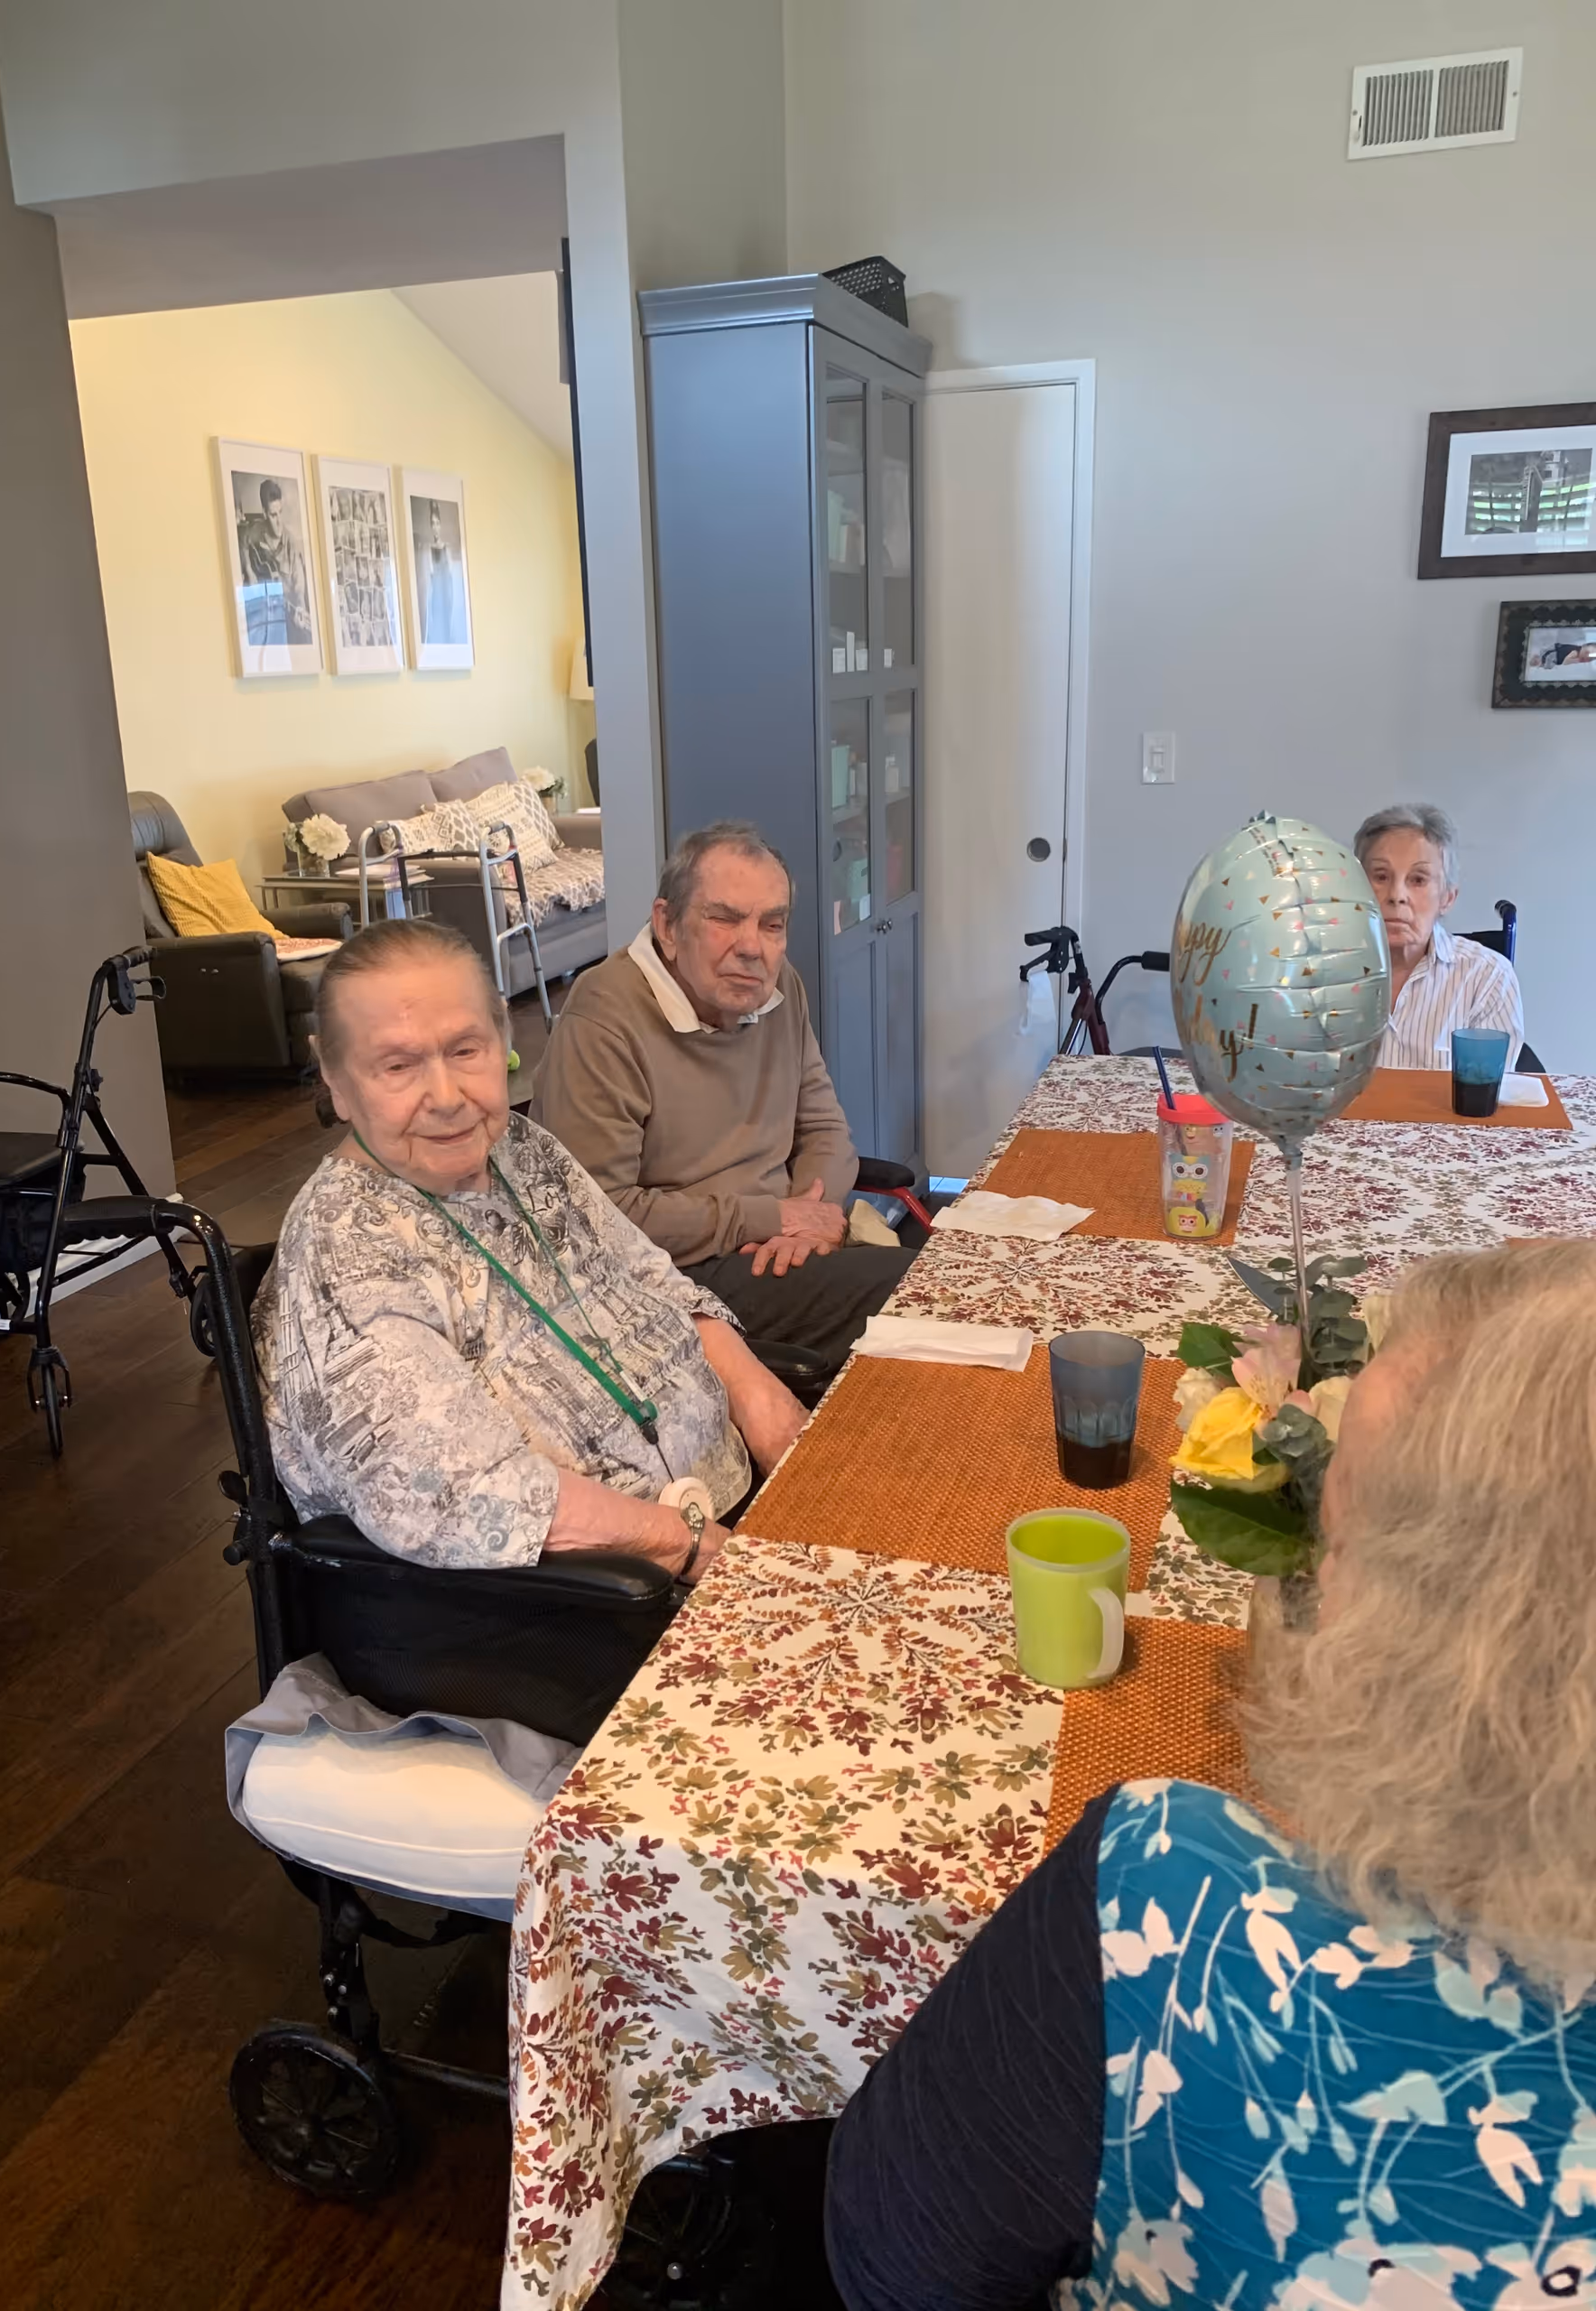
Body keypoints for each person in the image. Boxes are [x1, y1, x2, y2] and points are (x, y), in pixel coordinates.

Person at [825, 1238, 1596, 2311]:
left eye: (1344, 1538)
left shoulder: (1173, 1893)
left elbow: (899, 2262)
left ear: (1467, 1641)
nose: (1317, 1574)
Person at [252, 918, 807, 1579]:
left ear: (504, 1040)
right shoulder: (346, 1250)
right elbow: (465, 1495)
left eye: (466, 1050)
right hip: (560, 1602)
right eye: (398, 1066)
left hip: (716, 1513)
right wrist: (696, 1549)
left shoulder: (520, 1147)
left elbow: (649, 1278)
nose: (448, 1098)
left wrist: (769, 1414)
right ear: (337, 1081)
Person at [530, 821, 914, 1371]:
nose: (752, 947)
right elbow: (598, 1216)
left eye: (772, 924)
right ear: (667, 925)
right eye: (724, 918)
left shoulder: (783, 991)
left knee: (952, 1272)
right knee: (917, 1297)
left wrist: (812, 1214)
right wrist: (771, 1219)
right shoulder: (605, 1018)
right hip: (675, 1276)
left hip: (779, 1245)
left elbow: (826, 1130)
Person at [1353, 803, 1523, 1070]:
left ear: (1447, 898)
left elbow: (1486, 1094)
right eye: (1381, 876)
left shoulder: (1487, 977)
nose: (1397, 895)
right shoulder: (1317, 972)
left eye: (1418, 880)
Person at [237, 476, 313, 647]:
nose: (279, 522)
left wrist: (300, 607)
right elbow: (243, 541)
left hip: (288, 615)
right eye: (273, 515)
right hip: (264, 614)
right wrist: (249, 571)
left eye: (280, 513)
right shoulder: (255, 531)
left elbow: (299, 588)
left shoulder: (291, 544)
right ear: (265, 513)